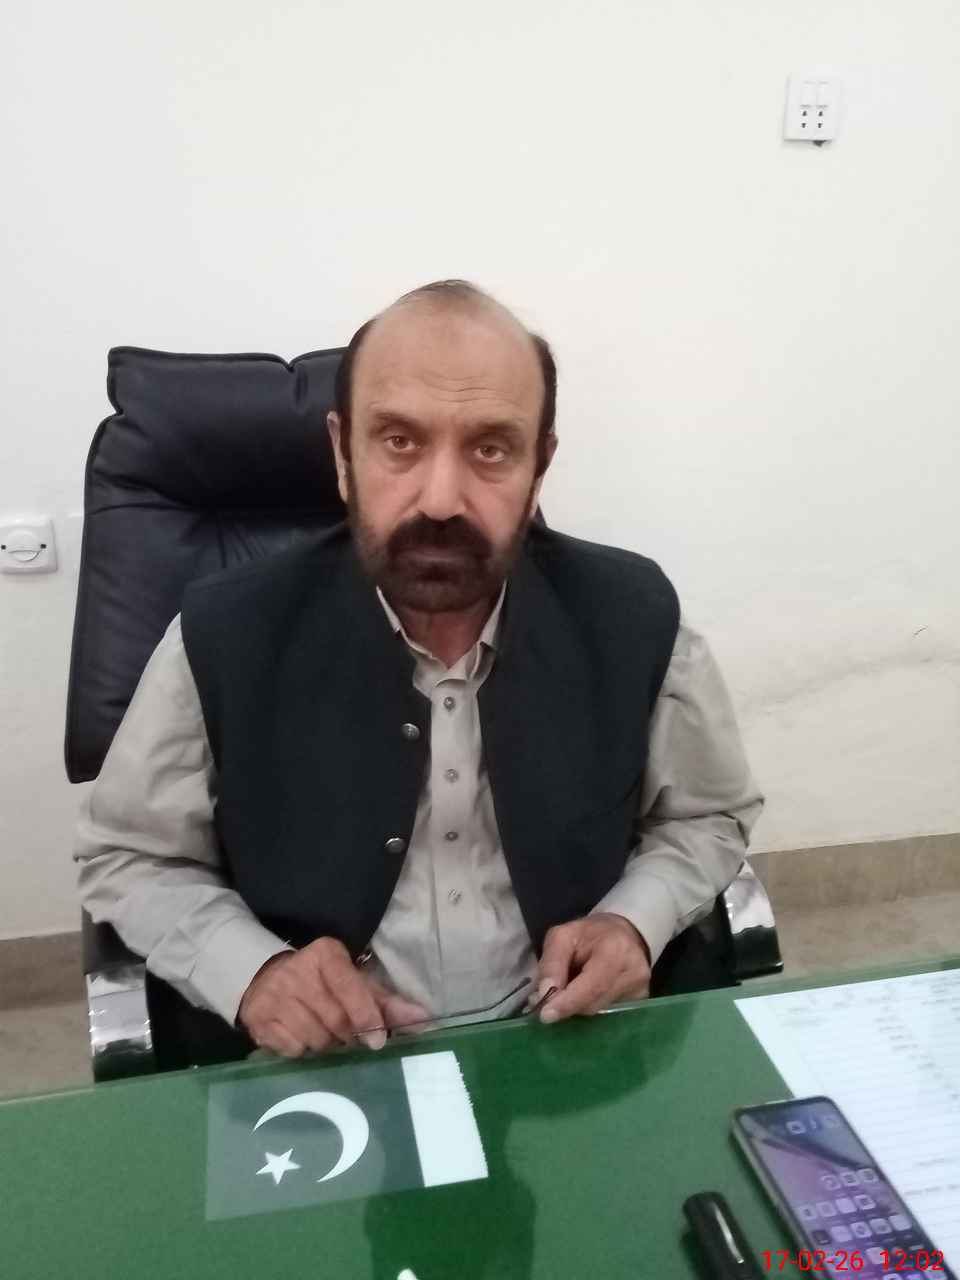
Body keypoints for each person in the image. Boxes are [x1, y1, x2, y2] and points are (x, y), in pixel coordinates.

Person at [75, 279, 763, 1060]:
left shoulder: (637, 619)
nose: (440, 500)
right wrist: (255, 973)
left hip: (572, 1049)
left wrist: (632, 921)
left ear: (539, 466)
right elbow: (127, 854)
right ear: (343, 453)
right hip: (324, 1063)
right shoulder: (222, 634)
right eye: (399, 441)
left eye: (491, 449)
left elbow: (707, 816)